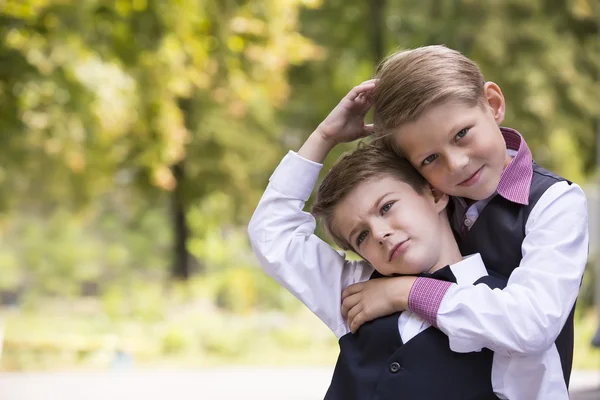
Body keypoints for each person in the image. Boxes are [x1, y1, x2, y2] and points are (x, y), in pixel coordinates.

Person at [248, 81, 569, 399]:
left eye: (387, 207)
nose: (380, 233)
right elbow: (271, 233)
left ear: (434, 193)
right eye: (361, 237)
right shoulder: (355, 294)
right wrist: (324, 136)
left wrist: (408, 292)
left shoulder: (505, 313)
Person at [339, 45, 587, 391]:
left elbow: (532, 324)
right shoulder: (428, 206)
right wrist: (325, 137)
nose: (455, 164)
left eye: (461, 134)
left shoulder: (555, 202)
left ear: (494, 105)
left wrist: (406, 291)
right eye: (429, 159)